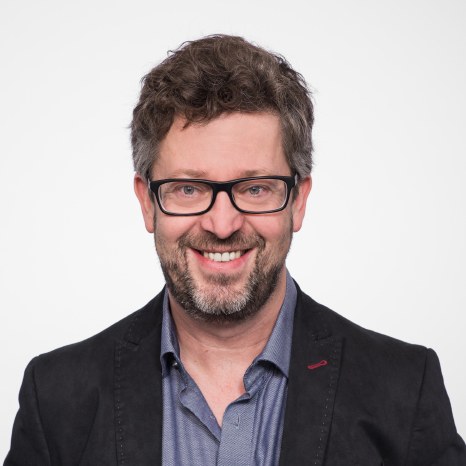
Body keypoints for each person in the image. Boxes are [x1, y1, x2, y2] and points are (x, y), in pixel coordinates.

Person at [4, 34, 465, 466]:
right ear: (147, 203)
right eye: (188, 189)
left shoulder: (404, 389)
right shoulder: (57, 400)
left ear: (298, 202)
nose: (222, 225)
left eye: (255, 188)